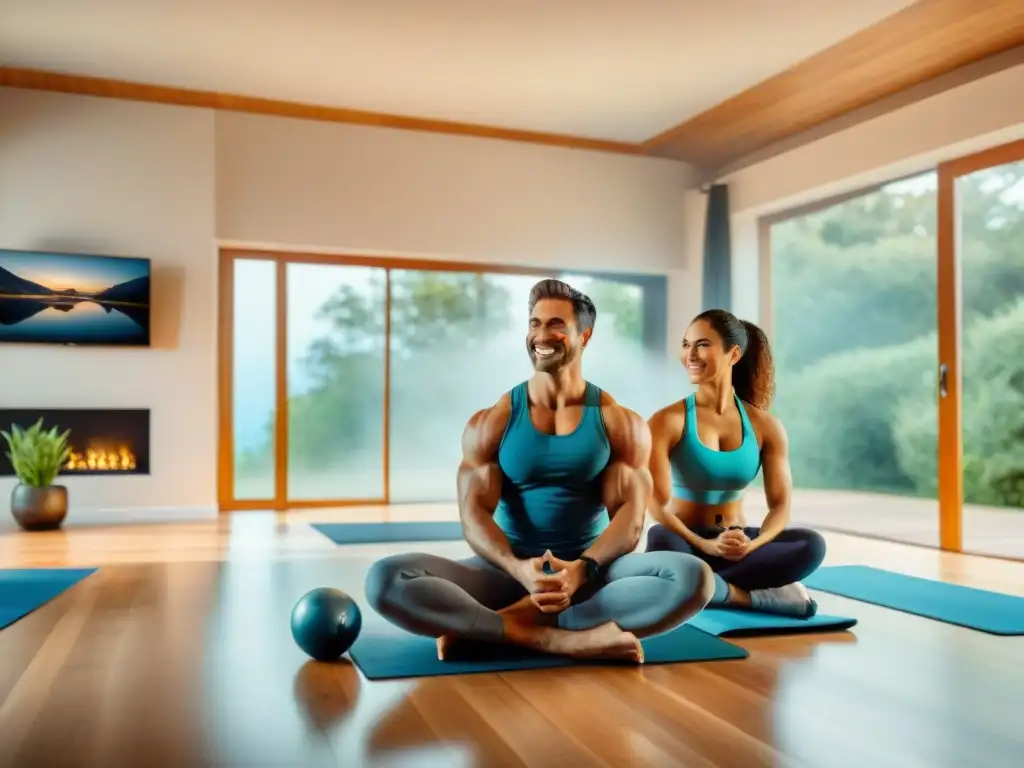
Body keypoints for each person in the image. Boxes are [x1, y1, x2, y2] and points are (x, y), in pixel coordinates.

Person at [365, 279, 714, 664]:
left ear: (585, 334)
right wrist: (519, 568)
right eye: (534, 323)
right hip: (505, 573)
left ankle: (491, 629)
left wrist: (582, 570)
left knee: (694, 579)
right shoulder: (494, 421)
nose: (541, 335)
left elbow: (630, 522)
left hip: (590, 578)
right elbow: (473, 515)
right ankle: (554, 638)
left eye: (556, 325)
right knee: (385, 578)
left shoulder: (619, 423)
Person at [644, 309, 826, 618]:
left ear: (734, 354)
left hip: (738, 545)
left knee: (811, 544)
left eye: (702, 345)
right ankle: (750, 596)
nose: (690, 354)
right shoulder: (666, 421)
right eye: (686, 345)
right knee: (659, 537)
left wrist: (752, 546)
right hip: (686, 541)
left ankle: (697, 589)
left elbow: (780, 507)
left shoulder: (765, 426)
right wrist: (705, 544)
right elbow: (658, 506)